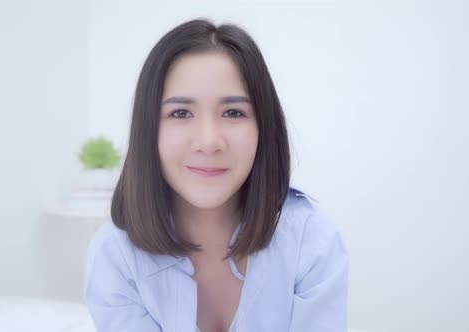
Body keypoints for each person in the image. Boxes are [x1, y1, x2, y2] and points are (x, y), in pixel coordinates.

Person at [84, 18, 349, 332]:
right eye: (180, 113)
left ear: (263, 126)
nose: (209, 142)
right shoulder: (115, 257)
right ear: (148, 131)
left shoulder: (312, 243)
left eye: (233, 112)